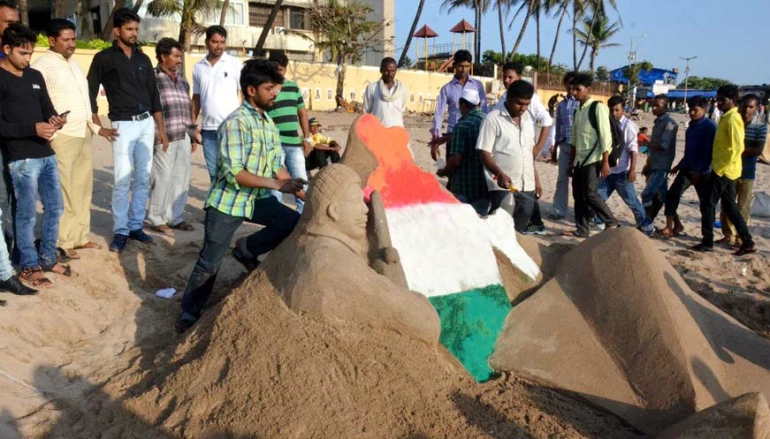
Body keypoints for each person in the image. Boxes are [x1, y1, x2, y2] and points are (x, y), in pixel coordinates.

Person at [176, 59, 305, 333]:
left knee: (291, 221)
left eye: (276, 87)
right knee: (210, 262)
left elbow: (274, 162)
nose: (275, 94)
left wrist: (294, 185)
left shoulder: (267, 122)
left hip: (255, 198)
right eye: (269, 88)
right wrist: (276, 185)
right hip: (228, 203)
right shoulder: (236, 123)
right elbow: (235, 173)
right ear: (250, 90)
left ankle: (247, 249)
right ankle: (189, 312)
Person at [87, 8, 167, 253]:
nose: (134, 34)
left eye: (136, 29)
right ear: (117, 31)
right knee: (122, 180)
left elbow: (154, 96)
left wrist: (161, 129)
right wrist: (97, 125)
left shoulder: (144, 59)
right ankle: (120, 230)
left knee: (143, 178)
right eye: (129, 29)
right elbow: (89, 91)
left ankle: (135, 226)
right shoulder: (104, 58)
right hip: (122, 124)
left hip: (146, 124)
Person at [0, 24, 69, 288]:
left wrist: (55, 120)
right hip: (21, 159)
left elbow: (47, 109)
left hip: (46, 153)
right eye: (22, 53)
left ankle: (48, 257)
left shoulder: (36, 76)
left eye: (30, 53)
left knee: (55, 208)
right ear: (7, 49)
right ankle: (28, 266)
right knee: (27, 214)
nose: (28, 59)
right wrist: (33, 128)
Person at [32, 19, 104, 259]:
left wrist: (94, 126)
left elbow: (85, 98)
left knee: (83, 188)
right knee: (63, 191)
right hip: (62, 136)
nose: (72, 44)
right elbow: (38, 102)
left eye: (73, 39)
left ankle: (80, 237)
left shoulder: (74, 64)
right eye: (66, 39)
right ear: (52, 41)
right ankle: (63, 240)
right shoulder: (42, 66)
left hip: (83, 132)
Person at [692, 85, 756, 255]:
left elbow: (737, 148)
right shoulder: (726, 117)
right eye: (718, 99)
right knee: (730, 207)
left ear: (732, 101)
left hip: (724, 171)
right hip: (724, 169)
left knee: (707, 204)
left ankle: (707, 241)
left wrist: (721, 171)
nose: (718, 103)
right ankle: (747, 241)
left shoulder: (733, 119)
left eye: (722, 100)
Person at [147, 38, 198, 235]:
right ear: (163, 56)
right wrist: (157, 132)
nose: (179, 60)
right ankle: (156, 218)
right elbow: (150, 108)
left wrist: (192, 136)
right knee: (162, 177)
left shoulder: (182, 80)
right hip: (164, 135)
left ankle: (174, 217)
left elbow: (187, 109)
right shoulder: (152, 78)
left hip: (183, 134)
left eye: (180, 56)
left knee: (181, 178)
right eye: (176, 56)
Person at [477, 80, 539, 232]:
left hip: (527, 185)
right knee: (499, 228)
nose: (523, 108)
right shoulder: (493, 119)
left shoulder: (528, 121)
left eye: (527, 104)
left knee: (520, 228)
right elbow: (483, 152)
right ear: (509, 98)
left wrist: (536, 180)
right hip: (503, 186)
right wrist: (499, 174)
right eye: (519, 103)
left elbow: (528, 154)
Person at [564, 73, 617, 238]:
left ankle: (610, 221)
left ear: (588, 89)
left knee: (590, 193)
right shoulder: (577, 110)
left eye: (577, 89)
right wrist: (571, 162)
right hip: (580, 160)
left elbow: (605, 136)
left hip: (594, 159)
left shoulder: (598, 107)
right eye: (572, 89)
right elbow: (574, 138)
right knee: (578, 195)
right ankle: (582, 229)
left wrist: (605, 161)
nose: (574, 93)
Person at [660, 97, 716, 238]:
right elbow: (689, 151)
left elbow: (709, 152)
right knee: (672, 195)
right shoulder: (690, 127)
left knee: (706, 205)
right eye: (690, 109)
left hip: (703, 172)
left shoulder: (710, 127)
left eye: (695, 110)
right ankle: (671, 226)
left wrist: (700, 171)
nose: (692, 112)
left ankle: (707, 236)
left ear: (704, 109)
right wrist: (679, 166)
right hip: (687, 168)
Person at [597, 96, 653, 234]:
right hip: (607, 171)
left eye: (617, 110)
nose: (614, 113)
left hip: (622, 172)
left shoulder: (628, 126)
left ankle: (647, 225)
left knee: (632, 201)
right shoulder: (607, 124)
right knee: (598, 199)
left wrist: (632, 170)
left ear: (623, 110)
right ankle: (600, 222)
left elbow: (633, 150)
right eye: (611, 110)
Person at [192, 25, 241, 182]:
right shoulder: (198, 68)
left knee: (233, 172)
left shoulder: (234, 63)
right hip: (208, 131)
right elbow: (197, 98)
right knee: (214, 174)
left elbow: (246, 94)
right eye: (215, 42)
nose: (219, 46)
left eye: (222, 42)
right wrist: (191, 125)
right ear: (207, 42)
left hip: (231, 128)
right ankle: (217, 206)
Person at [719, 94, 767, 247]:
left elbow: (758, 149)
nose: (747, 110)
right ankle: (728, 235)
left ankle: (740, 236)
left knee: (743, 207)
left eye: (751, 107)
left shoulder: (760, 127)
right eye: (745, 106)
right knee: (726, 205)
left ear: (757, 108)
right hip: (730, 169)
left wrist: (736, 150)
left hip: (747, 172)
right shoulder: (733, 122)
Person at [267, 50, 310, 212]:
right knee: (276, 183)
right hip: (274, 143)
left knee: (301, 180)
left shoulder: (293, 87)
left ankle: (301, 217)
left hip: (294, 142)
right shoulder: (266, 88)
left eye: (282, 69)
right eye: (276, 69)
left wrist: (307, 139)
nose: (279, 72)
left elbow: (302, 113)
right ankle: (277, 217)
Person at [429, 50, 487, 161]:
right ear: (455, 65)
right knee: (453, 171)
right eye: (461, 66)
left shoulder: (478, 85)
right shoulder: (447, 88)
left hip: (474, 134)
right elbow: (439, 114)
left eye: (467, 66)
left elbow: (484, 110)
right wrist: (436, 140)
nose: (464, 70)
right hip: (453, 135)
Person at [436, 88, 487, 215]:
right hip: (484, 185)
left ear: (462, 105)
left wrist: (443, 171)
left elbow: (456, 159)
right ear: (478, 104)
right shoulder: (487, 120)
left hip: (465, 186)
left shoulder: (462, 125)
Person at [641, 94, 678, 223]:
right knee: (664, 196)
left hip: (662, 166)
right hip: (655, 163)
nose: (654, 108)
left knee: (647, 195)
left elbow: (663, 146)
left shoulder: (669, 124)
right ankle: (675, 224)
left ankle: (647, 221)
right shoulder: (658, 122)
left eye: (657, 106)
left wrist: (646, 142)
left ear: (665, 107)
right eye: (653, 105)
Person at [549, 72, 578, 220]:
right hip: (565, 145)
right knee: (562, 179)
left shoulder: (581, 103)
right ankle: (559, 210)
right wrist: (554, 147)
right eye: (568, 83)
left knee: (580, 181)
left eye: (574, 84)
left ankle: (583, 213)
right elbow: (558, 126)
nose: (571, 87)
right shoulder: (561, 105)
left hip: (580, 148)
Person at [363, 57, 407, 128]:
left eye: (393, 71)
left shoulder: (402, 89)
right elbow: (366, 112)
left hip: (397, 132)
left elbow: (402, 110)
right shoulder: (372, 88)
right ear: (381, 70)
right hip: (377, 132)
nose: (390, 74)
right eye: (387, 71)